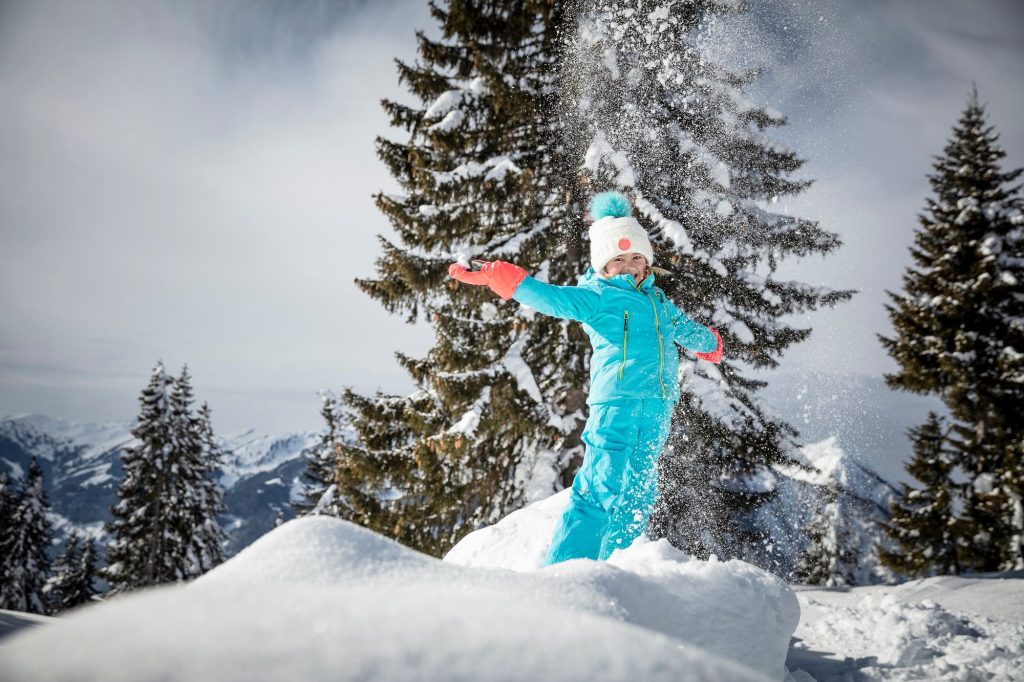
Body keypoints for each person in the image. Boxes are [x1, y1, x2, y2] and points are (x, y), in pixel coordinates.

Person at [448, 191, 723, 565]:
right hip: (616, 405)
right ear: (603, 265)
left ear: (647, 261)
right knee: (601, 485)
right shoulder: (597, 296)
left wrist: (710, 343)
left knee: (639, 491)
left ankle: (613, 564)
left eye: (636, 257)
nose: (629, 265)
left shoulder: (658, 301)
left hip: (658, 405)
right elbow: (551, 298)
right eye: (619, 259)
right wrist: (507, 279)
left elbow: (684, 328)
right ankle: (565, 570)